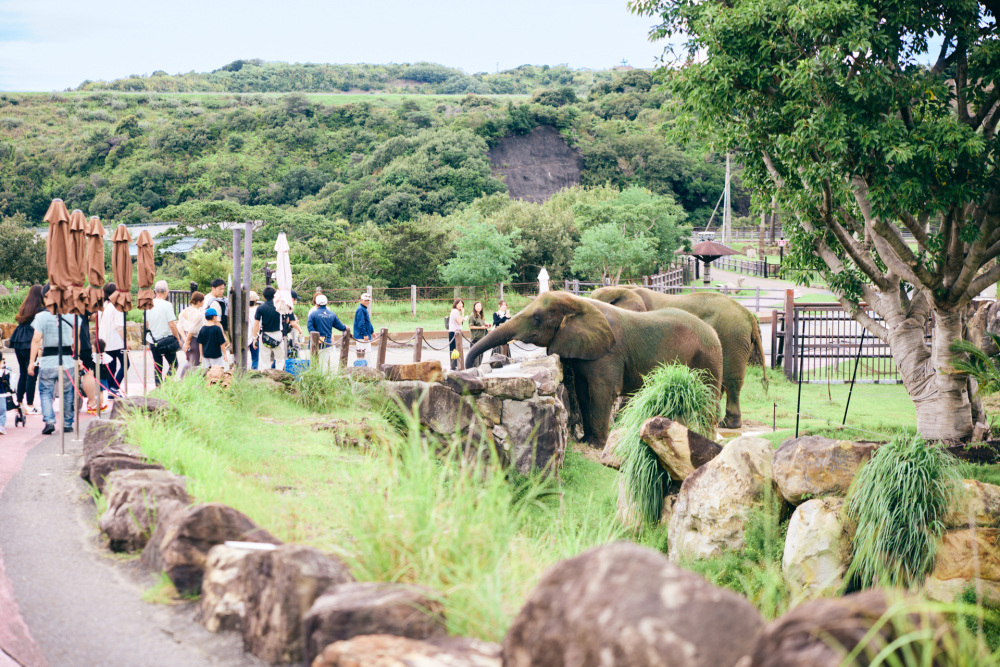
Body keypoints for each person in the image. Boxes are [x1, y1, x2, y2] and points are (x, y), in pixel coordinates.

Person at [28, 306, 96, 434]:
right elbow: (76, 339)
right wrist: (78, 357)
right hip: (67, 360)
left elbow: (36, 340)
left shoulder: (41, 316)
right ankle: (67, 423)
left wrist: (32, 362)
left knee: (46, 392)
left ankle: (49, 421)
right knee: (68, 392)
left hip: (47, 360)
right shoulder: (73, 316)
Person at [10, 284, 44, 414]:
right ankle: (30, 405)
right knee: (32, 374)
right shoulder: (41, 310)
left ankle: (19, 403)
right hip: (30, 340)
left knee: (23, 373)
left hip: (18, 340)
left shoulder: (25, 307)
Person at [144, 280, 181, 386]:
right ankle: (167, 384)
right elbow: (172, 324)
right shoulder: (167, 305)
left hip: (153, 340)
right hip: (166, 341)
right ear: (166, 291)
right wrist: (177, 338)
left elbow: (146, 324)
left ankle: (159, 387)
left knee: (157, 366)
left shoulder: (149, 304)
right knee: (174, 365)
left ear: (155, 291)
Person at [306, 294, 347, 372]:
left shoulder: (313, 314)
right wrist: (346, 328)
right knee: (324, 363)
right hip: (327, 342)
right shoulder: (332, 314)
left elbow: (310, 328)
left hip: (314, 342)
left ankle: (314, 380)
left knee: (313, 363)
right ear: (326, 303)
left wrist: (316, 336)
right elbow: (340, 326)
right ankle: (323, 380)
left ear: (316, 303)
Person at [98, 283, 126, 395]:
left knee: (112, 366)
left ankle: (111, 389)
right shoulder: (116, 306)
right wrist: (126, 341)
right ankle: (114, 387)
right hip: (116, 341)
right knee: (126, 364)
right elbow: (119, 326)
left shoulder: (103, 306)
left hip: (105, 341)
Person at [253, 287, 285, 372]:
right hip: (278, 334)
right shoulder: (279, 307)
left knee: (265, 359)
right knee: (279, 358)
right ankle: (279, 376)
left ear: (263, 296)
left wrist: (254, 338)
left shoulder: (261, 308)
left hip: (265, 336)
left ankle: (266, 378)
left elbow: (256, 324)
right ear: (275, 295)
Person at [178, 291, 206, 379]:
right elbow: (192, 329)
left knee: (190, 360)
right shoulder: (198, 314)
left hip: (185, 337)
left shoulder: (184, 311)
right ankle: (185, 381)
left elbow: (179, 326)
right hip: (194, 339)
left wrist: (184, 339)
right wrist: (188, 341)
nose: (203, 303)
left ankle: (184, 380)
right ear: (198, 301)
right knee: (195, 363)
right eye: (202, 301)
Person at [353, 292, 374, 363]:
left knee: (366, 353)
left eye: (368, 300)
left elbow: (368, 322)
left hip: (364, 334)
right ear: (361, 300)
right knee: (363, 354)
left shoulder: (364, 309)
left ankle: (365, 368)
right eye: (365, 300)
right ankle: (363, 369)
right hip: (361, 336)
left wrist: (372, 331)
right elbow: (361, 323)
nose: (367, 302)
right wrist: (365, 334)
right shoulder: (361, 309)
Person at [468, 301, 489, 368]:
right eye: (477, 306)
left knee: (481, 354)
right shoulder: (472, 316)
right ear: (474, 307)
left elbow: (482, 322)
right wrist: (480, 327)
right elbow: (471, 326)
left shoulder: (481, 315)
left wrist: (486, 324)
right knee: (474, 355)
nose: (479, 307)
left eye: (480, 306)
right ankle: (473, 368)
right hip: (475, 338)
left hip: (482, 337)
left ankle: (478, 367)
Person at [447, 298, 466, 370]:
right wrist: (463, 313)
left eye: (462, 303)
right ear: (456, 304)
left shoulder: (456, 312)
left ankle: (454, 365)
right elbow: (459, 322)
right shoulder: (455, 311)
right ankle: (454, 365)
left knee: (455, 349)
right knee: (455, 349)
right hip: (454, 332)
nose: (461, 305)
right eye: (459, 303)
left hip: (455, 332)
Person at [247, 290, 260, 370]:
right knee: (255, 358)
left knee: (241, 358)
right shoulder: (258, 310)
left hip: (243, 336)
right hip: (254, 336)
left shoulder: (241, 310)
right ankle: (253, 373)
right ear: (255, 301)